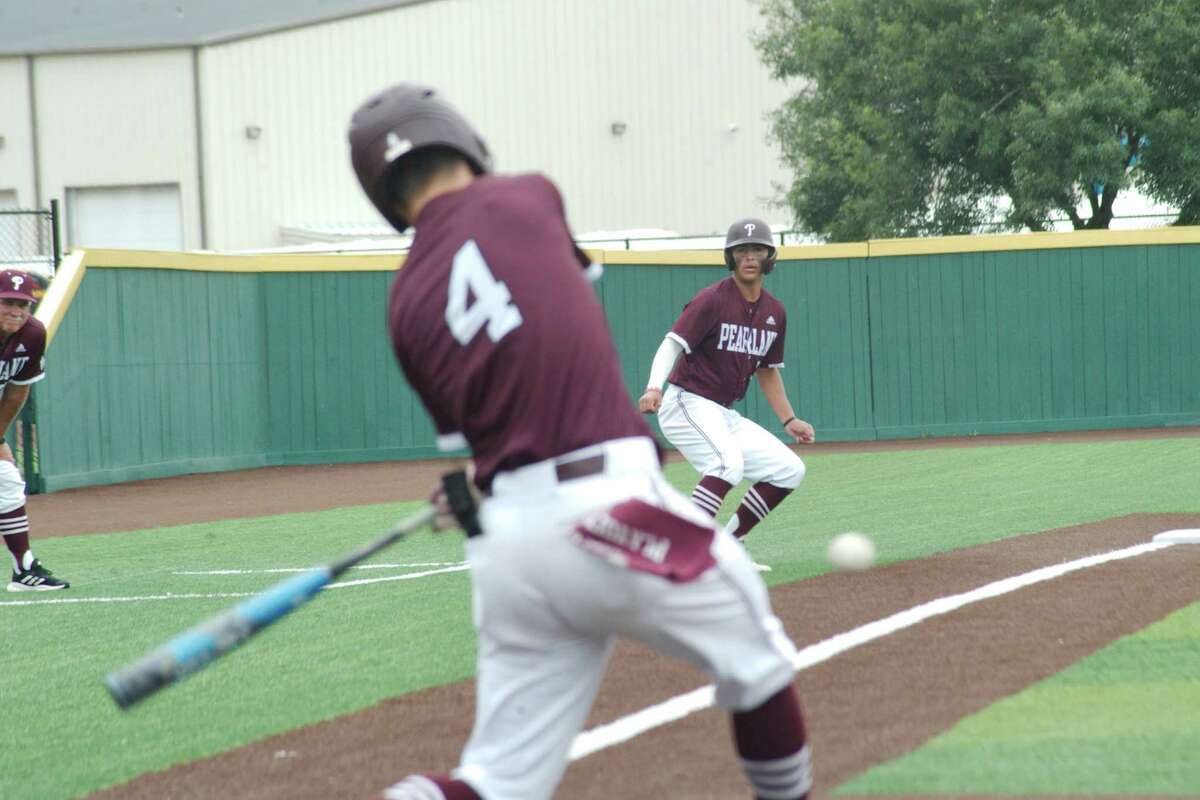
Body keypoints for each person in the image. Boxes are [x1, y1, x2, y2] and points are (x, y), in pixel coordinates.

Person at [348, 84, 812, 800]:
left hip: (509, 548)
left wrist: (475, 486)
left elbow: (481, 445)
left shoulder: (403, 301)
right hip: (603, 511)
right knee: (761, 661)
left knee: (497, 780)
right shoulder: (528, 197)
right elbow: (553, 299)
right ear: (464, 142)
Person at [637, 220, 815, 571]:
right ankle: (689, 549)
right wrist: (654, 386)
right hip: (686, 401)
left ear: (769, 257)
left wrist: (789, 419)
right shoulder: (712, 300)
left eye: (757, 250)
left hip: (721, 412)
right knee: (726, 464)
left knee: (788, 469)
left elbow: (767, 369)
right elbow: (672, 343)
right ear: (730, 258)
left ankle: (728, 547)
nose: (749, 256)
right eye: (741, 251)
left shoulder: (774, 312)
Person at [0, 269, 69, 592]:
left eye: (23, 304)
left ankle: (24, 569)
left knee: (7, 481)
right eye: (7, 302)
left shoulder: (33, 333)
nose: (16, 310)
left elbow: (17, 389)